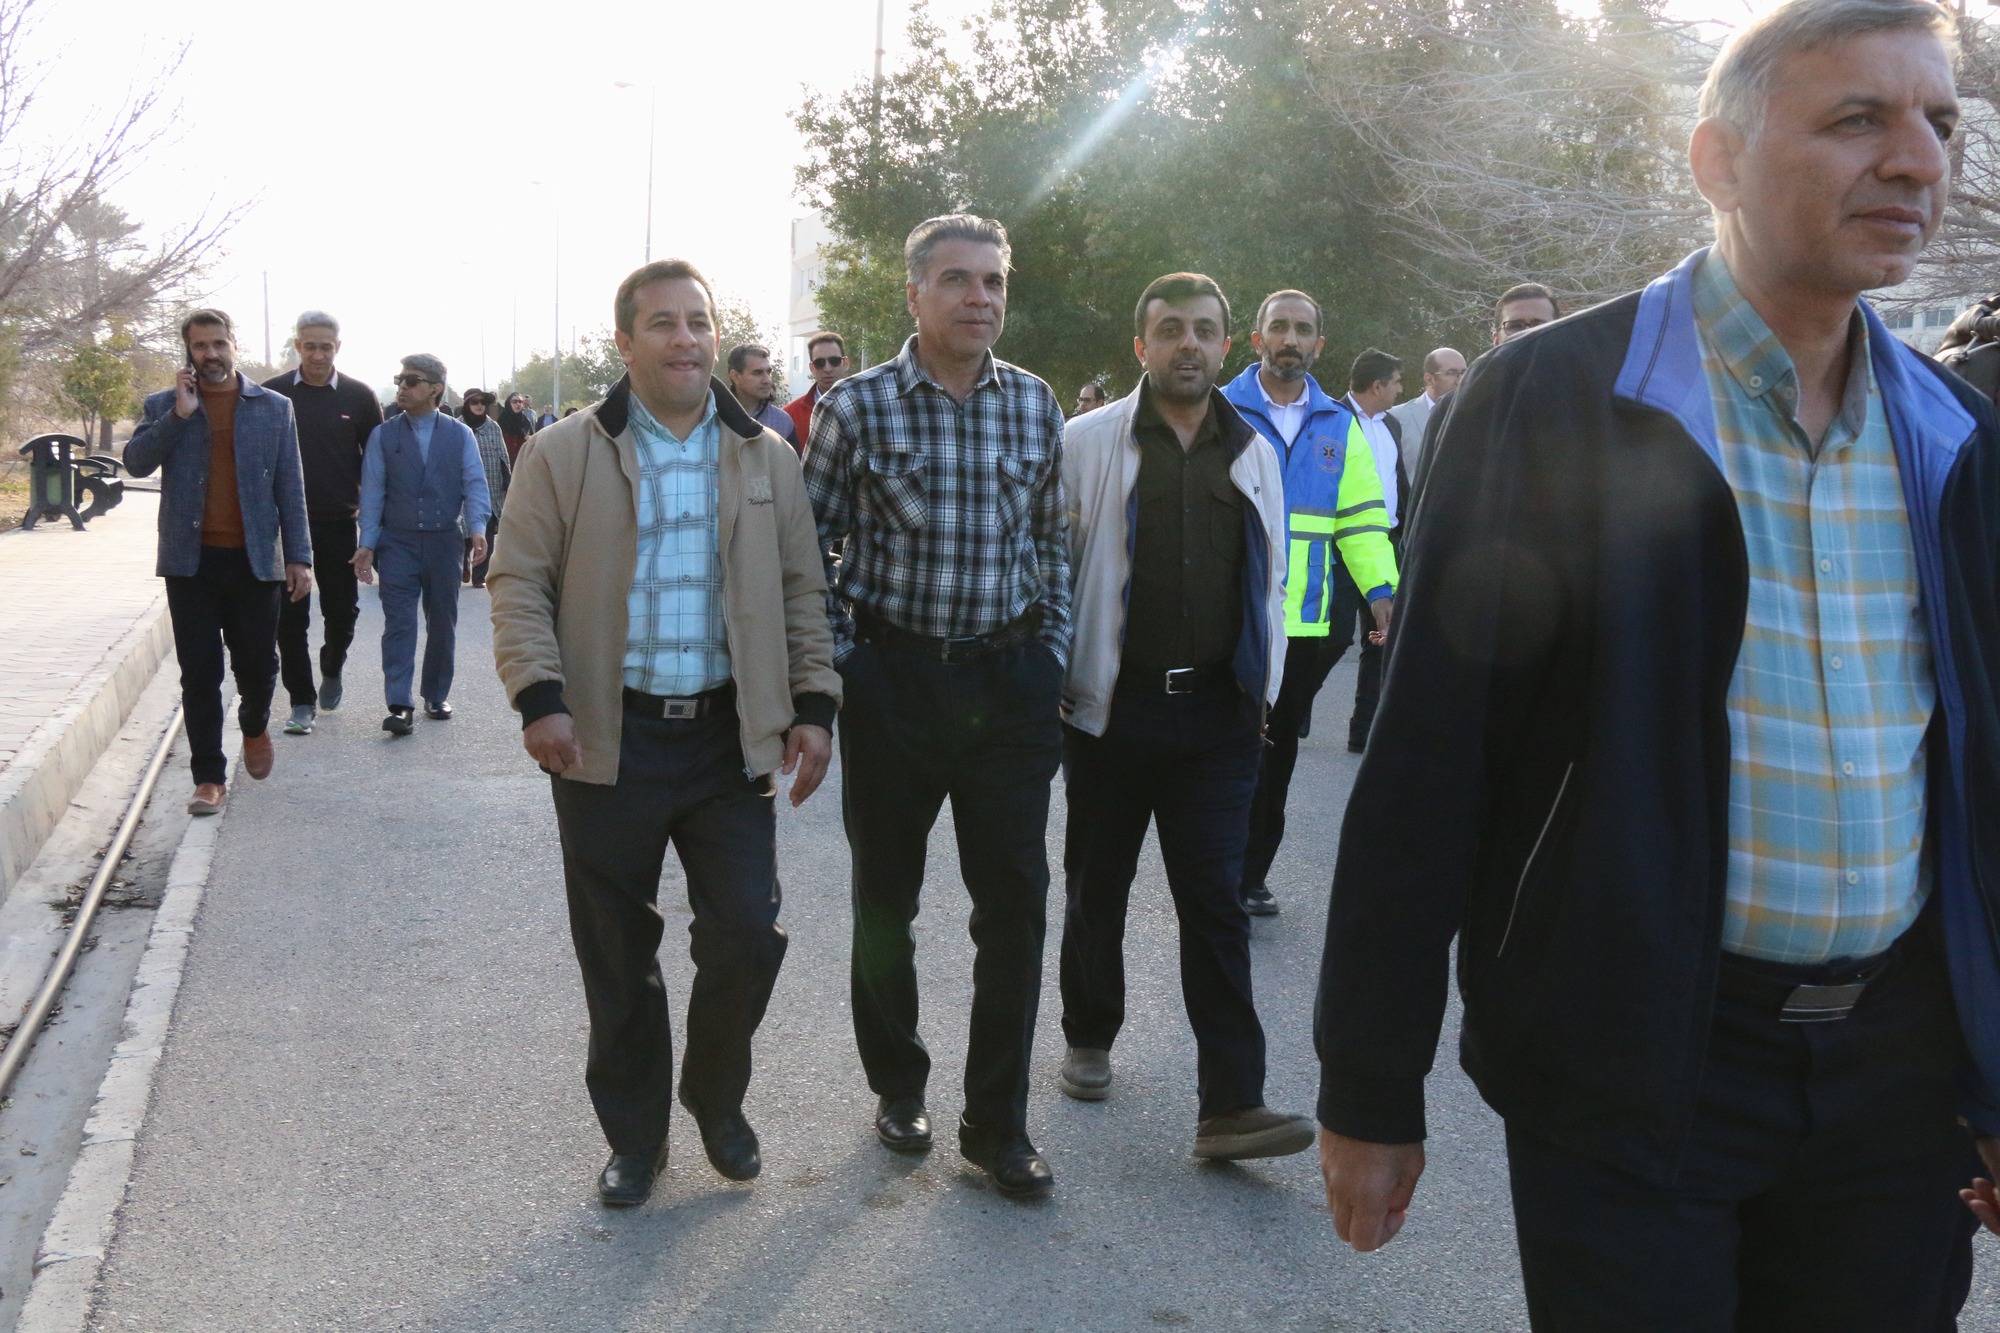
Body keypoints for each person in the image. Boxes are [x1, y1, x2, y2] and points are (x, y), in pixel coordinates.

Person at [1315, 3, 2000, 1328]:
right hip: (1634, 1061)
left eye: (1938, 122)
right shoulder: (1557, 400)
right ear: (1717, 160)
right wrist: (1369, 1085)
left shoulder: (1955, 433)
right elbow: (1428, 763)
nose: (1917, 159)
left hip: (1894, 1087)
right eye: (1858, 118)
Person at [491, 259, 839, 1208]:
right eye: (663, 323)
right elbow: (518, 581)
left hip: (729, 739)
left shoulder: (766, 456)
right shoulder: (563, 452)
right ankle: (635, 1138)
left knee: (746, 933)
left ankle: (714, 1095)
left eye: (699, 321)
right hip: (607, 739)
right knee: (616, 951)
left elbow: (804, 590)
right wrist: (540, 697)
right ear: (625, 342)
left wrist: (814, 706)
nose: (686, 339)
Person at [804, 214, 1071, 1199]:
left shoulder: (1032, 403)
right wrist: (850, 667)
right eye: (957, 279)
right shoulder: (856, 407)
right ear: (913, 293)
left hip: (1008, 688)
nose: (979, 298)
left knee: (1016, 909)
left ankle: (997, 1123)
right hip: (896, 685)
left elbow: (1052, 540)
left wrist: (1050, 652)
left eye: (992, 281)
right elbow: (807, 549)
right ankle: (898, 1085)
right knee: (886, 900)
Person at [1054, 272, 1315, 1160]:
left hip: (1216, 721)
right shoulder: (1088, 441)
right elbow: (1056, 569)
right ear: (1143, 346)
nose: (1188, 344)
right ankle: (1089, 1036)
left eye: (1204, 330)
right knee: (1097, 888)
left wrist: (1261, 693)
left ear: (1228, 344)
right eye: (1171, 330)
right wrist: (1059, 682)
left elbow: (1271, 577)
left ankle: (1232, 1103)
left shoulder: (1252, 451)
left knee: (1216, 906)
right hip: (1113, 711)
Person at [1220, 292, 1397, 916]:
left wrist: (1382, 592)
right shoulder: (1221, 409)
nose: (1289, 339)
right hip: (1229, 615)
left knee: (1276, 754)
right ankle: (1216, 870)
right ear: (1257, 339)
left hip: (1302, 622)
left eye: (1302, 329)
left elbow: (1363, 520)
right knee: (1225, 748)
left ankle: (1251, 876)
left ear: (1319, 344)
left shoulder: (1339, 427)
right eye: (1279, 327)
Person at [125, 309, 312, 814]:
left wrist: (299, 557)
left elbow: (290, 486)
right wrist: (179, 415)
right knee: (200, 673)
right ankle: (209, 777)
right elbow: (136, 462)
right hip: (190, 563)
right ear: (189, 352)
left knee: (258, 665)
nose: (210, 353)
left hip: (255, 562)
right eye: (200, 346)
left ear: (233, 344)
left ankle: (254, 724)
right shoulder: (165, 405)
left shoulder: (273, 407)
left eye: (218, 343)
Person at [352, 354, 492, 734]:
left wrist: (477, 527)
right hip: (397, 542)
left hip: (445, 541)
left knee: (442, 621)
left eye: (411, 380)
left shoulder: (459, 435)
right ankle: (399, 704)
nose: (402, 387)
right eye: (399, 379)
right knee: (399, 623)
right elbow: (373, 493)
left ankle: (435, 693)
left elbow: (474, 483)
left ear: (435, 389)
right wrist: (368, 543)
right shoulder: (383, 435)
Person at [264, 311, 383, 734]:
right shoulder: (272, 394)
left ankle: (332, 666)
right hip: (284, 524)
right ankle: (301, 701)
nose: (318, 354)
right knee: (290, 617)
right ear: (298, 345)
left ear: (338, 347)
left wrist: (374, 529)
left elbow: (377, 466)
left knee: (342, 612)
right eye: (310, 346)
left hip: (338, 522)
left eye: (326, 347)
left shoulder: (359, 397)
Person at [1409, 284, 1563, 518]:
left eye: (1539, 324)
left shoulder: (1587, 407)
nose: (1528, 333)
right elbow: (1427, 509)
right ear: (1496, 339)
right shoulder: (1453, 412)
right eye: (1515, 326)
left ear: (1560, 332)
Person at [1339, 349, 1408, 754]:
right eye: (1397, 381)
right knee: (1331, 638)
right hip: (1340, 546)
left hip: (1385, 546)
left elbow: (1400, 484)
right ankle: (1293, 708)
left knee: (1380, 639)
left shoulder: (1392, 425)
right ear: (1378, 385)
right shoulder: (1333, 420)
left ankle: (1363, 730)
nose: (1401, 389)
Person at [1386, 347, 1464, 480]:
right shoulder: (1396, 418)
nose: (1460, 380)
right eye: (1452, 373)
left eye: (1464, 373)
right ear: (1429, 379)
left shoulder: (1477, 419)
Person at [459, 389, 510, 587]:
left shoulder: (493, 427)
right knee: (463, 530)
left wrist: (507, 480)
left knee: (487, 529)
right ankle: (464, 564)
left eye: (483, 402)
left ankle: (480, 575)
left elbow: (503, 456)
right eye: (475, 402)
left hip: (491, 487)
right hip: (463, 488)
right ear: (466, 405)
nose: (479, 405)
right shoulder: (456, 427)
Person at [725, 342, 799, 449]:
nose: (767, 380)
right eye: (757, 373)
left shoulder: (783, 421)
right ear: (735, 376)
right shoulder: (714, 416)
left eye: (768, 372)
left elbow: (792, 460)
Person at [783, 330, 847, 444]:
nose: (827, 369)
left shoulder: (866, 406)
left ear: (845, 363)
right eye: (819, 363)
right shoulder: (789, 415)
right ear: (812, 368)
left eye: (834, 361)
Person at [499, 392, 535, 463]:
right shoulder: (502, 420)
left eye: (520, 401)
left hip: (522, 461)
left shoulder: (526, 421)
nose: (518, 404)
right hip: (505, 461)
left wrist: (529, 438)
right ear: (509, 403)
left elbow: (532, 440)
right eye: (514, 401)